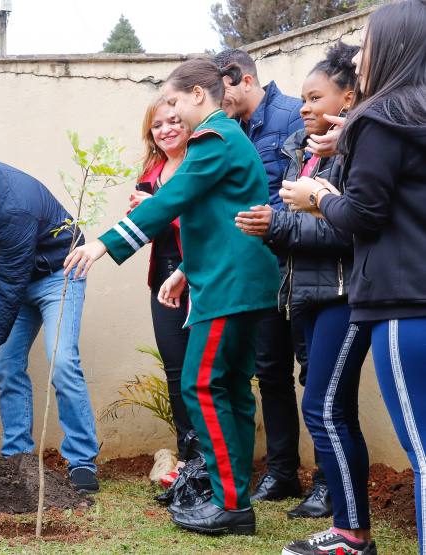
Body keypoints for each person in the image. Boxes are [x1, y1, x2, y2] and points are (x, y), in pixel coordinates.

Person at [65, 59, 280, 535]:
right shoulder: (226, 138)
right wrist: (184, 270)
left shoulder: (213, 138)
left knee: (202, 385)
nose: (173, 112)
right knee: (232, 391)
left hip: (229, 285)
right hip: (237, 280)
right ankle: (234, 499)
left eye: (176, 102)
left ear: (198, 96)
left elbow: (172, 198)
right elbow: (218, 214)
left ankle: (230, 504)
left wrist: (105, 242)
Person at [281, 2, 426, 553]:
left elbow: (364, 215)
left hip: (394, 303)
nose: (356, 57)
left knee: (417, 451)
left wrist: (316, 197)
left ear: (393, 48)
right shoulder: (402, 119)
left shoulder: (380, 117)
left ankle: (351, 532)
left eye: (364, 44)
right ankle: (348, 528)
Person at [238, 43, 378, 555]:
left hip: (345, 293)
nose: (303, 106)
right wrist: (273, 224)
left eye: (314, 96)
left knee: (323, 408)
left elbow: (352, 231)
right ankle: (348, 529)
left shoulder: (356, 148)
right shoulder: (301, 147)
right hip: (309, 295)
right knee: (328, 407)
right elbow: (298, 220)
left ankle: (351, 534)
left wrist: (287, 218)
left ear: (347, 98)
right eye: (301, 98)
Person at [0, 134, 101, 493]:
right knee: (10, 366)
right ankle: (19, 458)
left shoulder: (14, 206)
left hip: (60, 274)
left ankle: (81, 461)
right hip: (22, 275)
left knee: (61, 361)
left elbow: (11, 286)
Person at [211, 48, 313, 507]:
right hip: (260, 274)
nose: (218, 100)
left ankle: (330, 482)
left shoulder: (294, 115)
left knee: (314, 371)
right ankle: (282, 473)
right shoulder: (226, 132)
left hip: (304, 266)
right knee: (270, 372)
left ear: (245, 80)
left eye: (223, 90)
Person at [129, 97, 197, 479]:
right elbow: (142, 231)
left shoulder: (198, 165)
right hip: (163, 277)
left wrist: (159, 207)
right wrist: (142, 212)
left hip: (198, 274)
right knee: (175, 369)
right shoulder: (152, 169)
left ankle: (208, 457)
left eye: (174, 120)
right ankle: (186, 455)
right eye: (157, 125)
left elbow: (204, 225)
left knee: (200, 370)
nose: (166, 129)